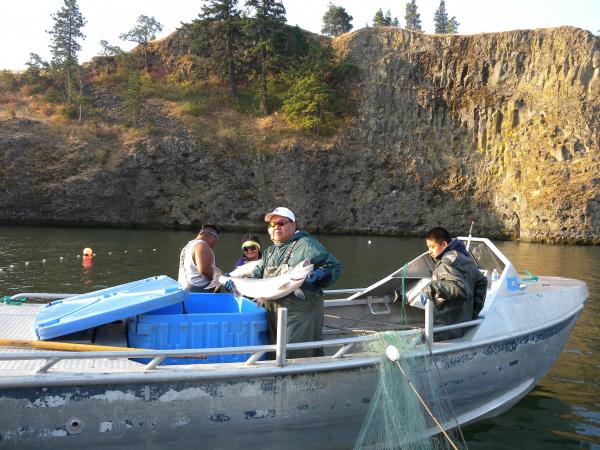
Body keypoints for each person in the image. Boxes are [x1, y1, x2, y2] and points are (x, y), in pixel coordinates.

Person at [250, 207, 342, 358]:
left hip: (300, 315)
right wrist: (233, 283)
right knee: (277, 355)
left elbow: (334, 266)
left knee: (296, 355)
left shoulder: (306, 244)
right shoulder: (269, 251)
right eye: (272, 225)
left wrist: (321, 273)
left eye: (281, 223)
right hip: (274, 315)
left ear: (293, 225)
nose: (276, 227)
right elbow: (255, 276)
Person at [420, 227, 487, 340]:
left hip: (445, 329)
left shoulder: (447, 262)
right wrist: (472, 313)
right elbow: (482, 282)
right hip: (461, 325)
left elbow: (460, 289)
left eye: (432, 247)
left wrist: (430, 288)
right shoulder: (465, 258)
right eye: (428, 247)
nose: (430, 251)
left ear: (444, 244)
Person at [178, 224, 219, 292]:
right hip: (200, 294)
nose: (215, 243)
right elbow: (204, 270)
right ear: (213, 237)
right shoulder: (202, 246)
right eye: (216, 240)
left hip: (185, 291)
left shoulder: (188, 246)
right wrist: (221, 279)